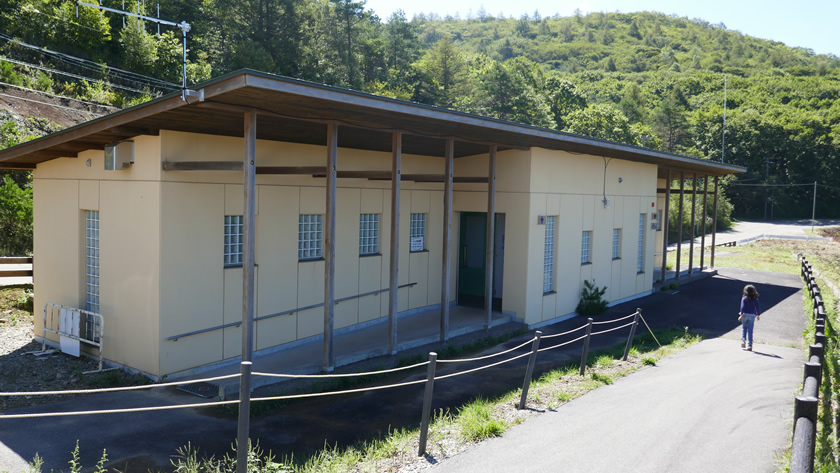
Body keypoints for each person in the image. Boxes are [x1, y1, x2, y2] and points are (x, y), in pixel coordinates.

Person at [738, 284, 761, 351]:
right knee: (750, 330)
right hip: (752, 315)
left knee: (744, 328)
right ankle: (750, 344)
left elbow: (742, 307)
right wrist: (758, 314)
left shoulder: (744, 298)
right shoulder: (755, 299)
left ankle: (743, 341)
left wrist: (741, 315)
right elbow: (758, 307)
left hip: (745, 315)